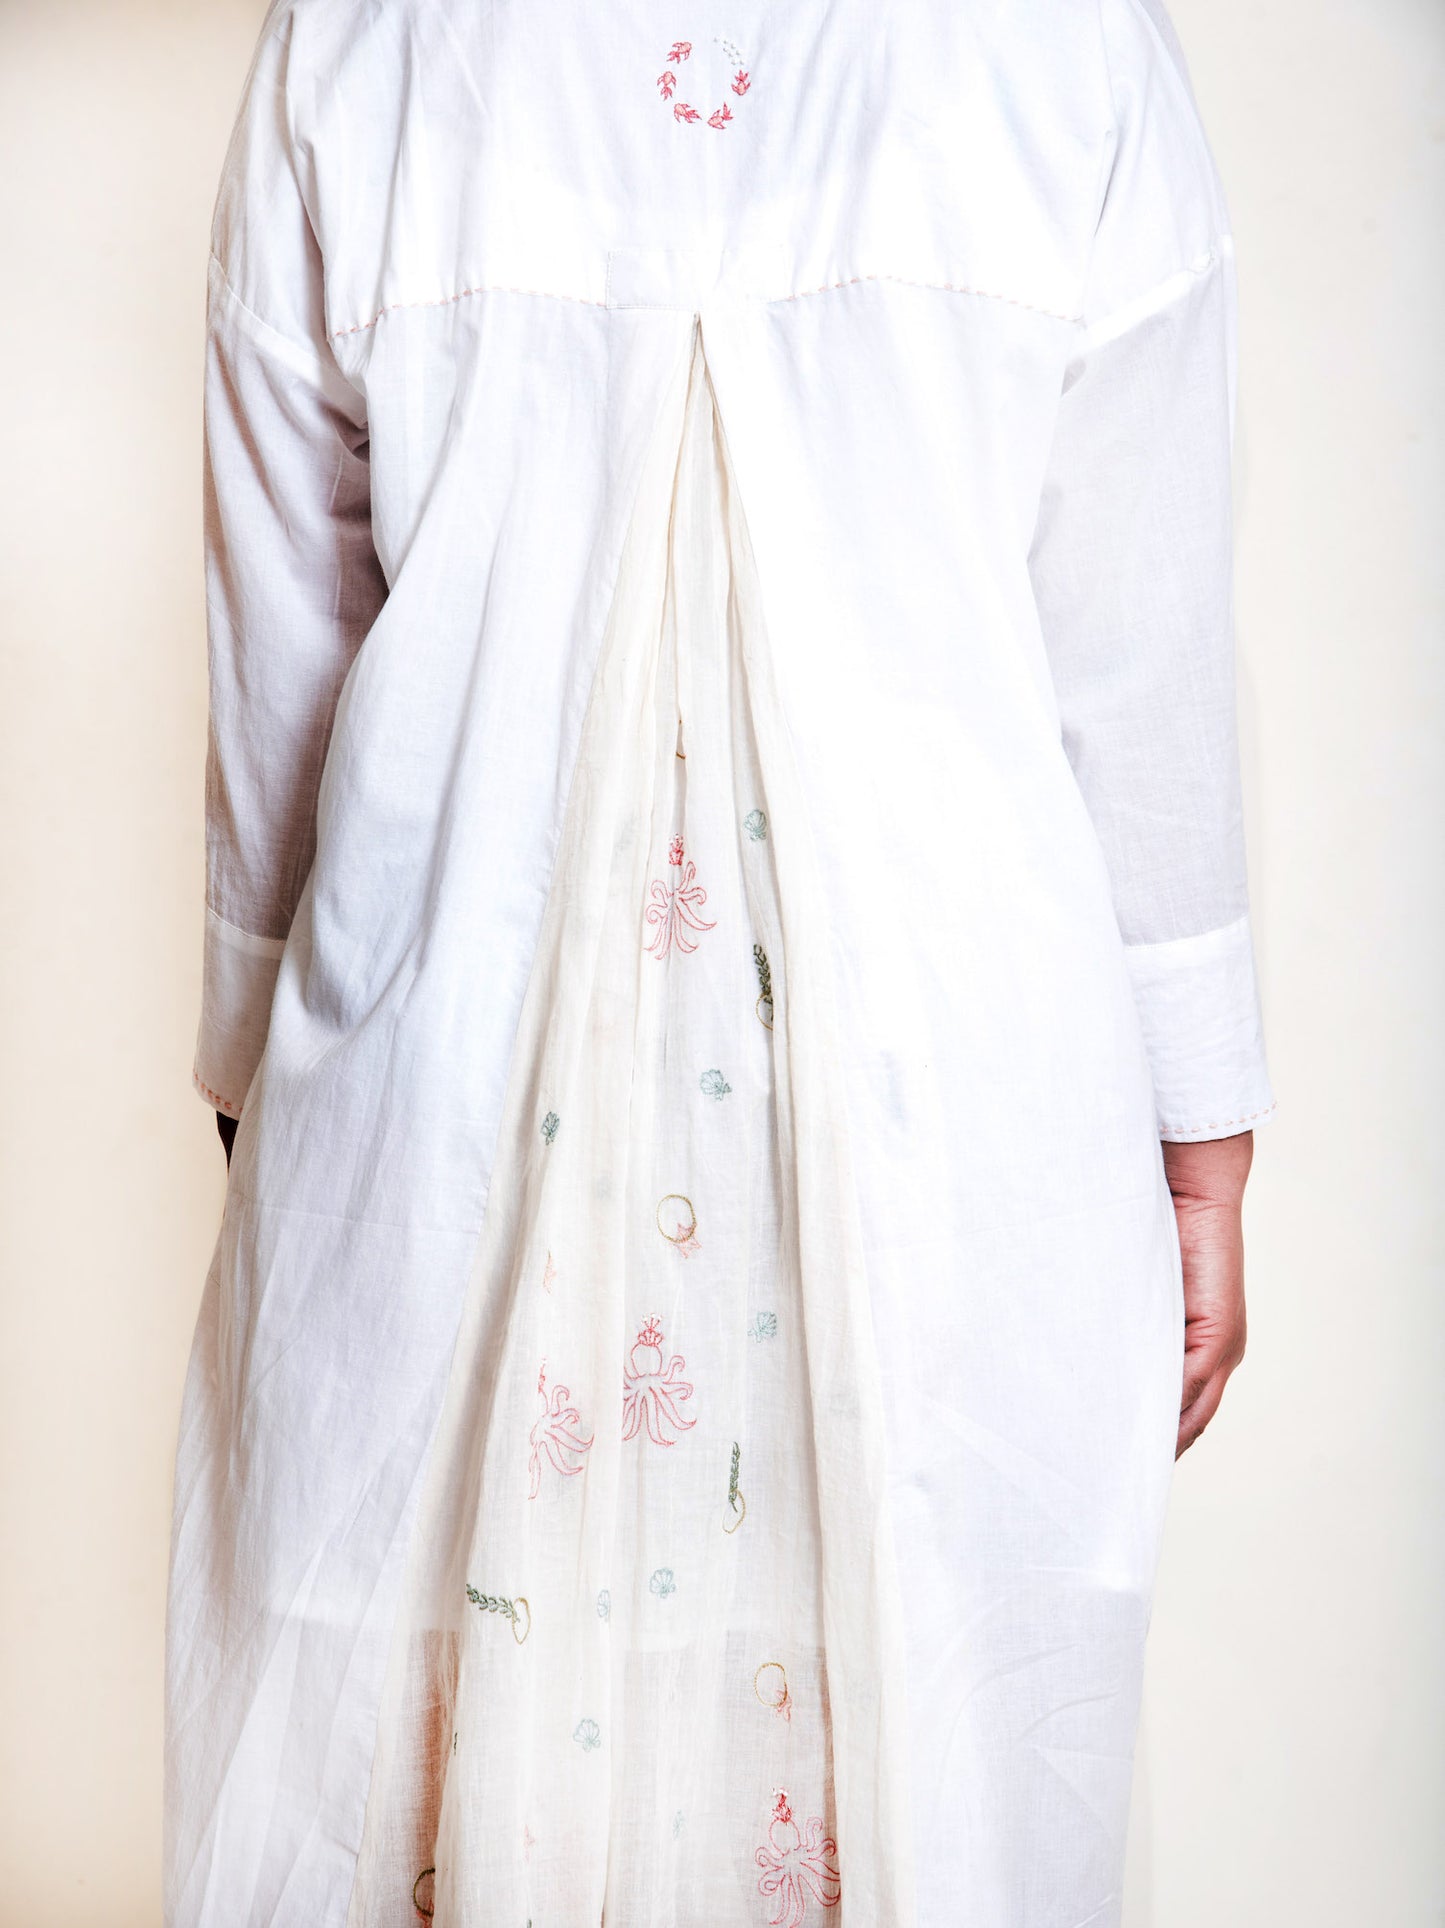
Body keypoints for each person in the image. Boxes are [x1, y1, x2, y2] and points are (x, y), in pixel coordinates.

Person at [166, 2, 1274, 1923]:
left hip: (449, 1055)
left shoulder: (362, 35)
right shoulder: (1073, 41)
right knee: (917, 1734)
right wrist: (1200, 1130)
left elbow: (288, 626)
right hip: (950, 1086)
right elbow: (1135, 638)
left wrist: (261, 1057)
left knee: (430, 1735)